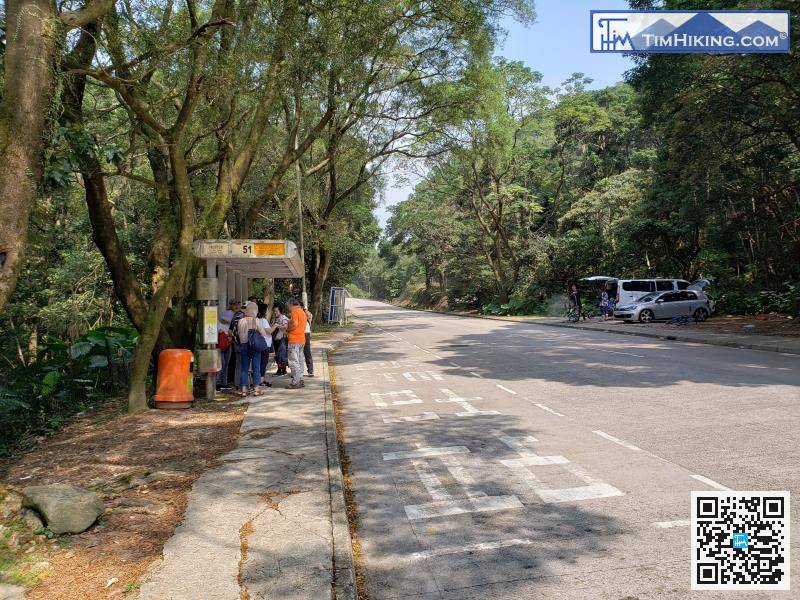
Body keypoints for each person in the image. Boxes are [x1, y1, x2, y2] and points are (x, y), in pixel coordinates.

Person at [237, 301, 268, 397]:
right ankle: (256, 389)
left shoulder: (241, 321)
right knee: (256, 367)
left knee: (244, 368)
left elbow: (239, 334)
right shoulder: (256, 320)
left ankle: (243, 390)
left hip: (244, 346)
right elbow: (263, 334)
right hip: (255, 346)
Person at [285, 297, 308, 389]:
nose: (288, 309)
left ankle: (295, 382)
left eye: (288, 307)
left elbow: (294, 324)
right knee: (300, 361)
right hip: (301, 339)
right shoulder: (302, 312)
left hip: (294, 340)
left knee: (293, 362)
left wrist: (287, 329)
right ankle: (300, 379)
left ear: (291, 305)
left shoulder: (294, 312)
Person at [257, 303, 276, 386]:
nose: (268, 311)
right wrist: (276, 325)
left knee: (260, 362)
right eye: (267, 309)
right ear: (264, 310)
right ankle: (261, 380)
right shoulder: (263, 320)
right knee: (263, 363)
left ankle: (260, 379)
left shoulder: (257, 319)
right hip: (265, 344)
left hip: (260, 343)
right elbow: (269, 331)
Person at [271, 304, 289, 376]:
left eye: (276, 311)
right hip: (276, 339)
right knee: (277, 355)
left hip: (282, 339)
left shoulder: (283, 318)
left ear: (280, 311)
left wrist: (277, 326)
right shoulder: (274, 318)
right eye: (274, 311)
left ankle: (283, 369)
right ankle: (279, 369)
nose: (275, 313)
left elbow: (285, 327)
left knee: (281, 355)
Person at [303, 302, 314, 377]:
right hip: (306, 333)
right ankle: (310, 370)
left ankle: (310, 370)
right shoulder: (307, 313)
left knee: (304, 353)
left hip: (304, 333)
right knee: (307, 353)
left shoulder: (305, 313)